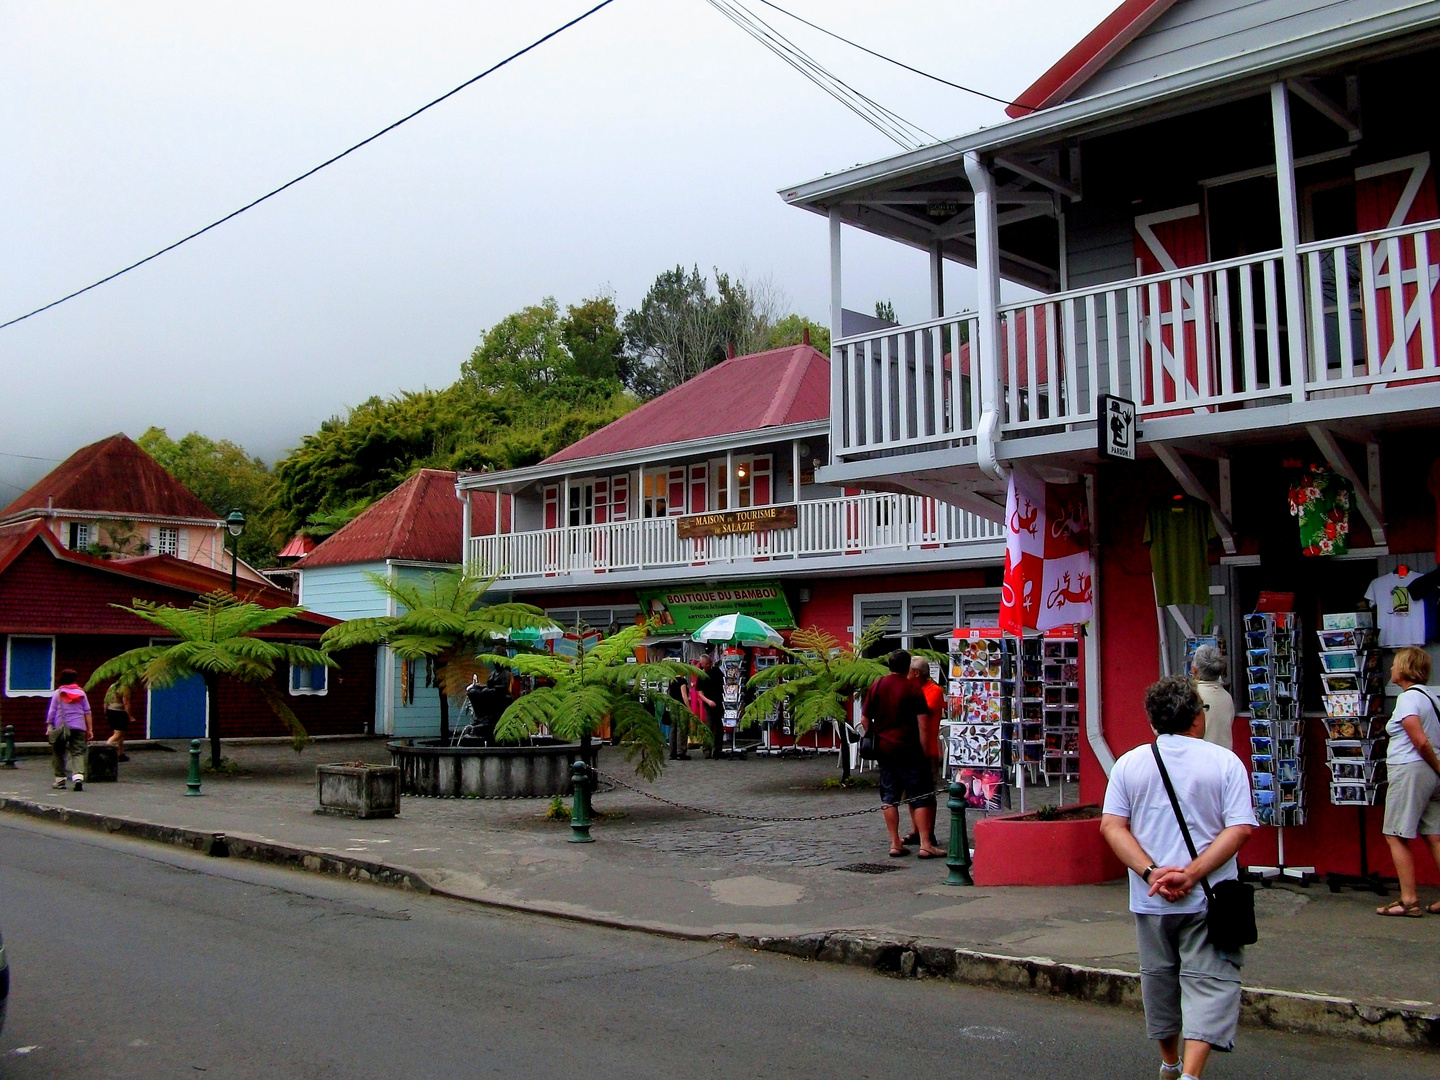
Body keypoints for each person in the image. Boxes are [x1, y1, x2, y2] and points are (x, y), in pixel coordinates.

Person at [1100, 676, 1255, 1080]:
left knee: (1159, 982)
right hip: (1210, 896)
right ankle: (1191, 1074)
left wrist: (1151, 872)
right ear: (1197, 718)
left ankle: (1170, 1062)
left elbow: (1113, 827)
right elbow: (1239, 829)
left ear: (1153, 720)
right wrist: (1192, 873)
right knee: (1210, 981)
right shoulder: (1225, 763)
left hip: (1150, 897)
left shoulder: (1129, 764)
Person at [1375, 646, 1440, 917]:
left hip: (1410, 769)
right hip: (1430, 775)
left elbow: (1419, 740)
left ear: (1404, 668)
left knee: (1395, 834)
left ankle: (1408, 899)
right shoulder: (1431, 697)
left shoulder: (1407, 699)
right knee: (1435, 835)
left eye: (1394, 665)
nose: (1390, 669)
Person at [862, 650, 944, 859]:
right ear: (908, 667)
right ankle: (926, 844)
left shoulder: (877, 685)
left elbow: (864, 719)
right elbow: (923, 724)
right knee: (921, 796)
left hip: (885, 751)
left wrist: (875, 735)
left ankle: (895, 842)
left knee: (890, 796)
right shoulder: (913, 688)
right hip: (911, 750)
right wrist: (926, 751)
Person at [905, 655, 945, 848]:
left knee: (928, 793)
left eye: (908, 671)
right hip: (909, 749)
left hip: (928, 750)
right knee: (910, 794)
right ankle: (915, 830)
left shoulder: (935, 691)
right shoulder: (911, 689)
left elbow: (922, 712)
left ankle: (929, 832)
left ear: (917, 673)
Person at [46, 669, 93, 792]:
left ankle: (60, 780)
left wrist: (49, 725)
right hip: (79, 726)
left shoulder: (58, 693)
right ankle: (78, 777)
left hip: (61, 727)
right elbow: (87, 712)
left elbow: (52, 711)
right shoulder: (81, 693)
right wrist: (90, 729)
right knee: (78, 752)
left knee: (58, 752)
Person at [1189, 645, 1234, 752]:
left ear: (1194, 671)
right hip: (1224, 760)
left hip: (1200, 760)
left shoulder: (1192, 696)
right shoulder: (1227, 697)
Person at [695, 655, 725, 759]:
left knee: (719, 728)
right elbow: (700, 693)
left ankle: (718, 749)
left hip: (719, 702)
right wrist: (708, 701)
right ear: (702, 664)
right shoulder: (701, 675)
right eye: (706, 664)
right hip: (709, 703)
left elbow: (723, 682)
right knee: (709, 726)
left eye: (709, 663)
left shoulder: (716, 671)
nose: (708, 665)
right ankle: (707, 750)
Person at [103, 681, 134, 761]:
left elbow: (106, 700)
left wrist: (105, 711)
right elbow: (126, 702)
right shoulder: (125, 688)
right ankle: (105, 751)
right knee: (117, 735)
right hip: (119, 712)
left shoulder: (112, 686)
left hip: (111, 710)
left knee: (121, 734)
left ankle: (120, 754)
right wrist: (130, 716)